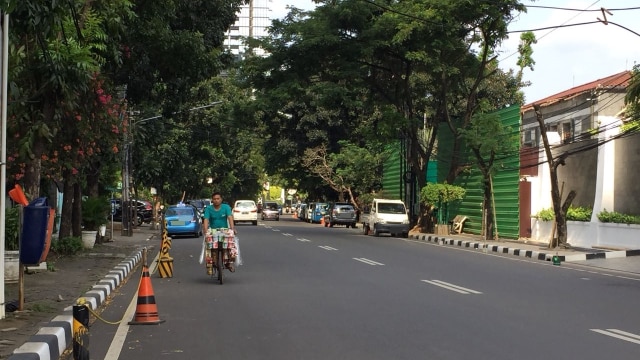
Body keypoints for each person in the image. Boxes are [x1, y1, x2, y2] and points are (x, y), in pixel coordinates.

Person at [202, 192, 236, 273]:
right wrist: (205, 231)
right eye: (214, 199)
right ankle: (211, 263)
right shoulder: (208, 209)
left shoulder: (226, 207)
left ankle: (229, 263)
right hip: (213, 231)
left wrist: (232, 228)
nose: (216, 200)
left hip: (224, 231)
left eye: (218, 199)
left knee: (229, 246)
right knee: (210, 248)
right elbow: (206, 220)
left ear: (221, 199)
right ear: (212, 200)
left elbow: (230, 217)